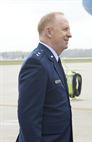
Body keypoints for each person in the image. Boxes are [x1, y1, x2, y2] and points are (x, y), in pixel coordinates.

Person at [16, 12, 73, 142]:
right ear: (49, 32)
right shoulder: (37, 64)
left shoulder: (52, 60)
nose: (70, 34)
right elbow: (29, 118)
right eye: (65, 29)